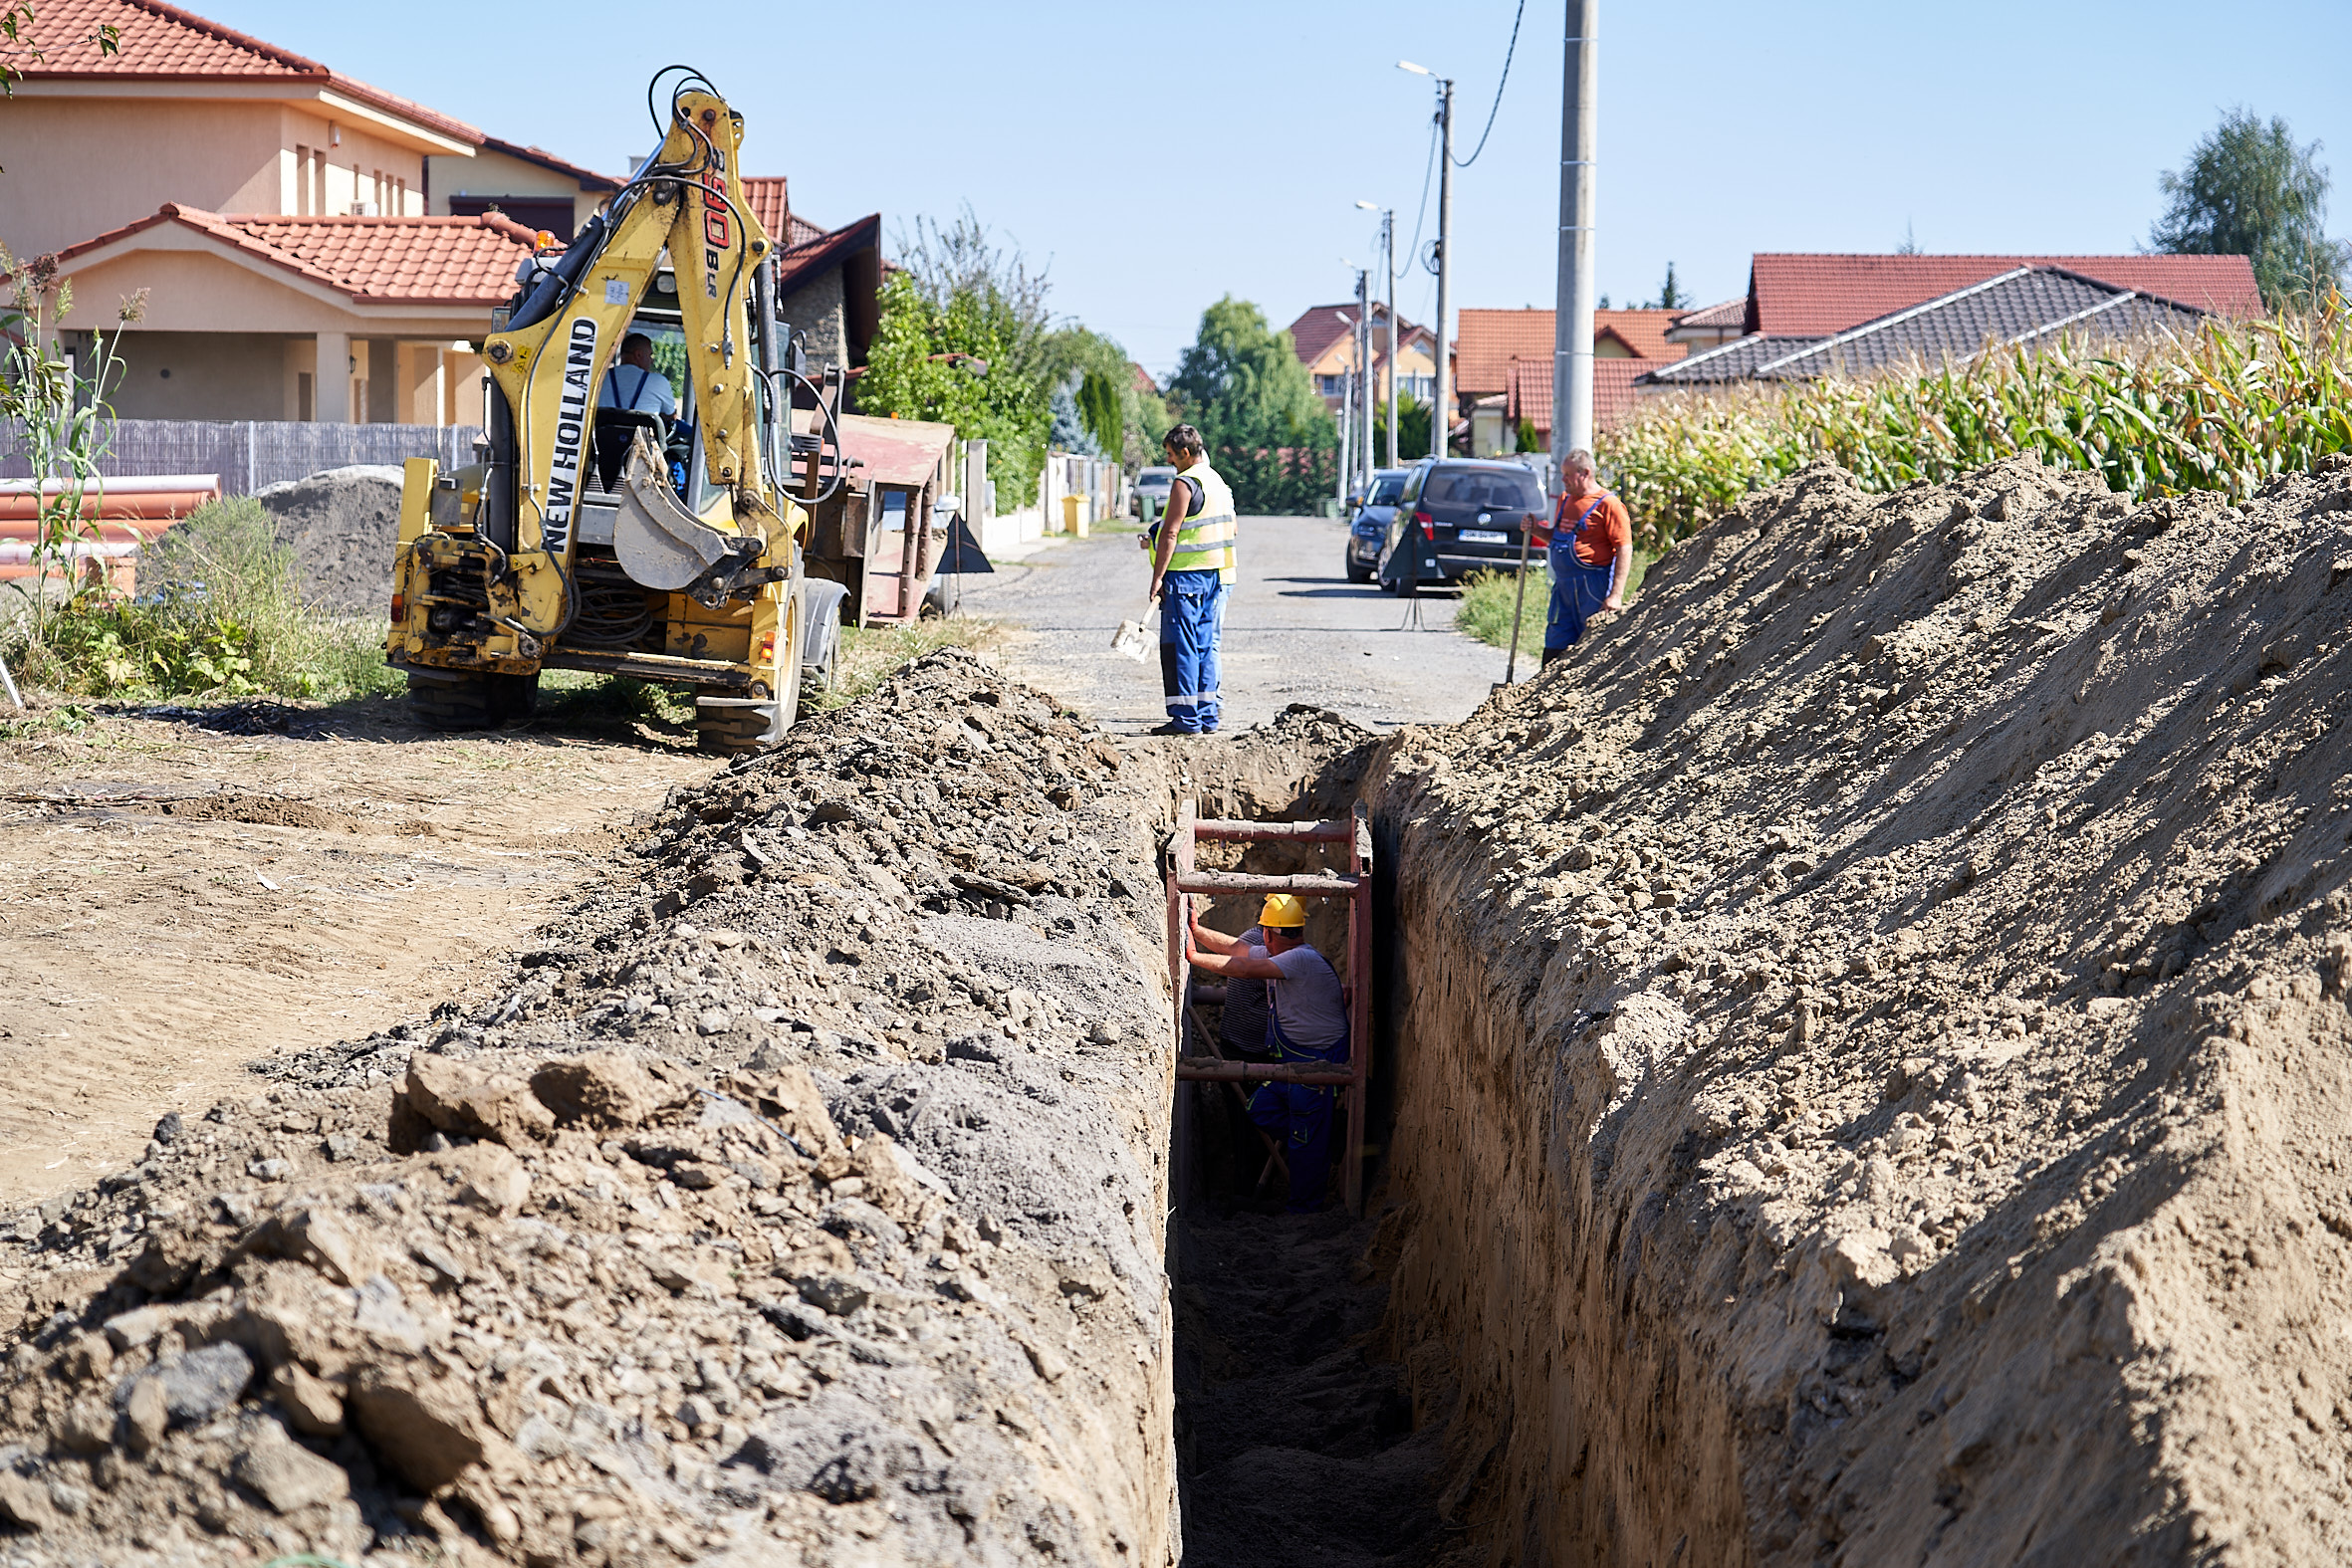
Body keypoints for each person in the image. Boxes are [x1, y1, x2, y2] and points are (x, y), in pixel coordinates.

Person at [1185, 894, 1347, 1213]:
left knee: (1304, 1137)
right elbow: (1237, 949)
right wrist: (1197, 931)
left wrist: (1193, 956)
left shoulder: (1298, 959)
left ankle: (1304, 1208)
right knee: (1260, 1107)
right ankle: (1324, 1135)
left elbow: (1244, 968)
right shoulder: (1284, 953)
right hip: (1297, 1060)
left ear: (1269, 933)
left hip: (1317, 1061)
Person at [1137, 424, 1237, 736]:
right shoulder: (1215, 480)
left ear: (1184, 452)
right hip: (1213, 575)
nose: (1168, 460)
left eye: (1170, 454)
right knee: (1204, 646)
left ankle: (1185, 719)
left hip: (1185, 580)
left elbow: (1171, 533)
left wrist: (1157, 577)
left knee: (1182, 648)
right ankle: (1207, 716)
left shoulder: (1185, 483)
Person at [1529, 447, 1633, 665]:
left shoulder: (1609, 504)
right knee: (1555, 645)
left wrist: (1615, 595)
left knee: (1591, 650)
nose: (1563, 480)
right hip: (1563, 589)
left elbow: (1624, 548)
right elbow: (1557, 537)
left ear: (1585, 473)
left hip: (1592, 588)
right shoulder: (1565, 499)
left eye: (1568, 475)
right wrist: (1535, 529)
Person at [599, 332, 677, 421]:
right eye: (650, 355)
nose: (652, 361)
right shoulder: (658, 382)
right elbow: (671, 416)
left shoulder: (601, 378)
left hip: (603, 430)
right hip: (642, 430)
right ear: (638, 355)